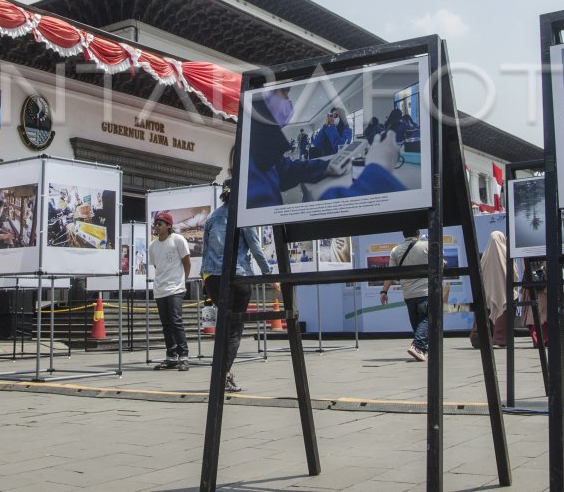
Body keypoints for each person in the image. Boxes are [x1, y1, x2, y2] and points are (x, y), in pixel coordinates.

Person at [245, 88, 403, 207]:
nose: (288, 99)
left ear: (340, 117)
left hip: (338, 162)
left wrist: (331, 133)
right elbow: (317, 143)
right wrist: (326, 128)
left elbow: (338, 145)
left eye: (335, 116)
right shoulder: (256, 160)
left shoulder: (347, 130)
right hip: (327, 158)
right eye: (283, 92)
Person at [201, 181, 269, 393]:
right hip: (237, 277)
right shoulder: (243, 216)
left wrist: (204, 280)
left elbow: (204, 251)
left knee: (224, 327)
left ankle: (222, 373)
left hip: (213, 277)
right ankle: (223, 375)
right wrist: (269, 274)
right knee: (234, 330)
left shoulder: (212, 217)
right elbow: (256, 248)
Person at [148, 211, 191, 371]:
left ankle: (184, 356)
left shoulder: (178, 240)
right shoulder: (153, 245)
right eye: (156, 223)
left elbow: (187, 263)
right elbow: (157, 266)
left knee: (176, 321)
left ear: (168, 226)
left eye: (160, 223)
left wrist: (183, 282)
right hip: (160, 289)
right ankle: (171, 356)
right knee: (166, 324)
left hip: (175, 288)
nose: (157, 226)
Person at [379, 228, 430, 362]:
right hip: (425, 291)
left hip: (408, 293)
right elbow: (440, 264)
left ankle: (423, 350)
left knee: (417, 323)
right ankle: (418, 346)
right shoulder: (427, 245)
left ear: (403, 234)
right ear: (418, 233)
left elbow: (390, 273)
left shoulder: (396, 250)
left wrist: (384, 291)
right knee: (427, 318)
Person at [472, 230, 508, 348]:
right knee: (503, 312)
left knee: (487, 312)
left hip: (487, 292)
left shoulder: (485, 256)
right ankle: (500, 339)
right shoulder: (505, 253)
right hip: (503, 291)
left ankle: (483, 338)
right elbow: (514, 272)